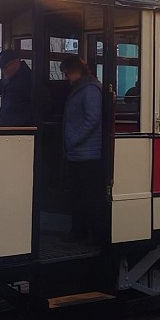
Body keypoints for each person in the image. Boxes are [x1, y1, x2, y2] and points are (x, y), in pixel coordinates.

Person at [59, 54, 105, 244]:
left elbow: (93, 119)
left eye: (66, 73)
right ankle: (82, 231)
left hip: (86, 152)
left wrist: (72, 139)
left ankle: (87, 232)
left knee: (86, 195)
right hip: (81, 151)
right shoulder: (85, 88)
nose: (65, 78)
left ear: (74, 71)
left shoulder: (89, 90)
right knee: (80, 194)